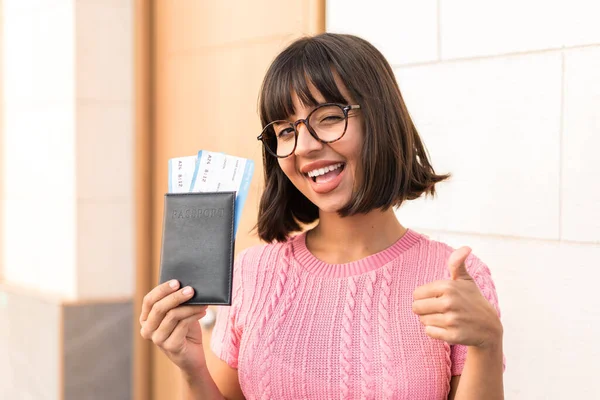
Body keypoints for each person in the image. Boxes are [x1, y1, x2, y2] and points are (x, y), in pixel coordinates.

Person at [139, 33, 504, 400]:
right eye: (285, 131)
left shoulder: (455, 278)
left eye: (329, 117)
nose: (306, 146)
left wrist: (487, 342)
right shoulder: (252, 273)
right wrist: (191, 368)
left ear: (381, 120)